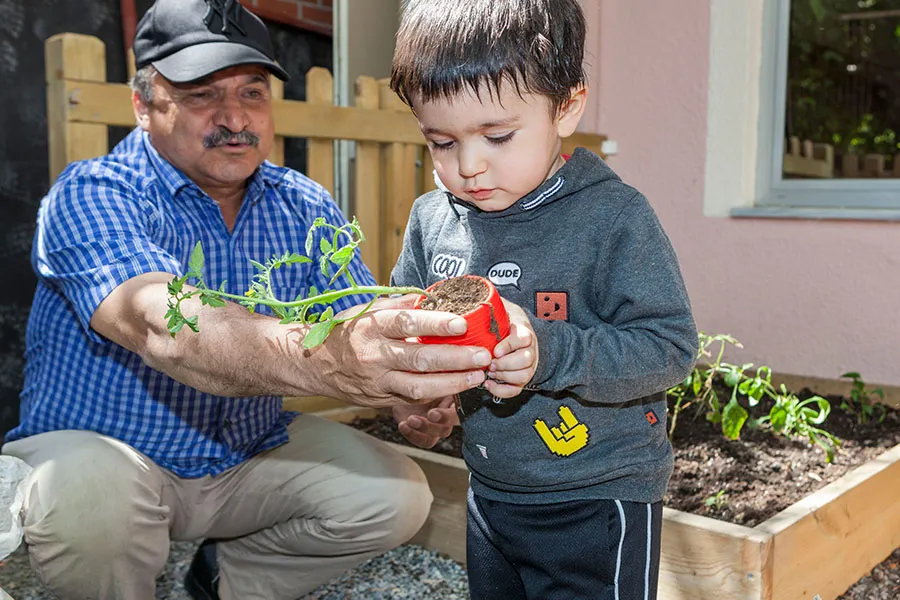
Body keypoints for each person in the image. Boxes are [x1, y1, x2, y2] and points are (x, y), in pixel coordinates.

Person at [0, 1, 516, 598]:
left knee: (396, 494)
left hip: (245, 453)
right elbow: (165, 327)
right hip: (116, 455)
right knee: (88, 497)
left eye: (252, 93)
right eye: (200, 96)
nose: (234, 118)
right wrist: (328, 363)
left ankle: (222, 582)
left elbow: (349, 317)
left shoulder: (302, 203)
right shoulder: (91, 194)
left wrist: (402, 393)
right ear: (144, 104)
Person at [388, 0, 700, 598]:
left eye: (498, 136)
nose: (470, 166)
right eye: (441, 142)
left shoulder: (614, 218)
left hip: (597, 496)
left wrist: (547, 354)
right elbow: (412, 332)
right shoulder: (432, 220)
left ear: (567, 105)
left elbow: (668, 348)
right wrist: (415, 402)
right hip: (489, 487)